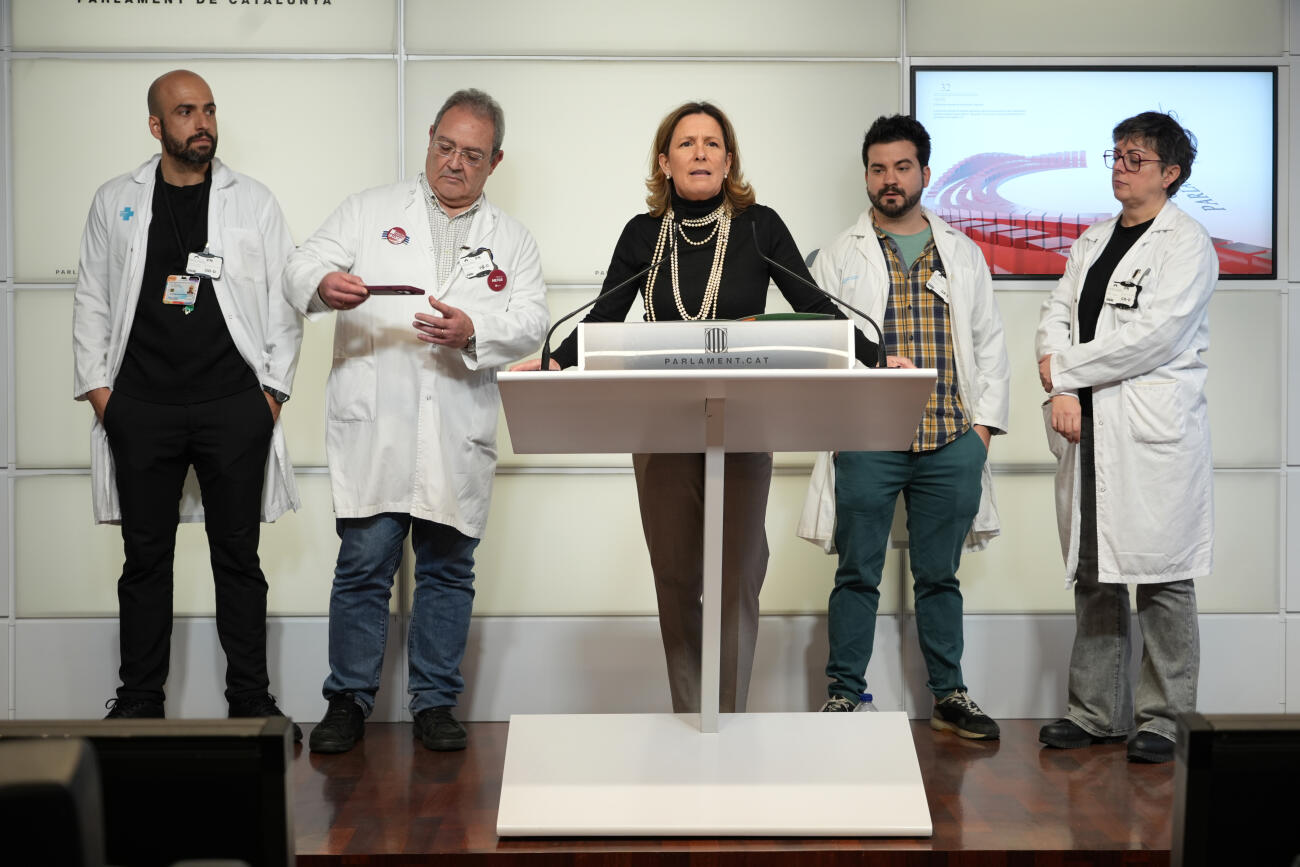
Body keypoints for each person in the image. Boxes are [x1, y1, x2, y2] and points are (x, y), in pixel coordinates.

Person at [515, 101, 877, 714]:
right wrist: (554, 357)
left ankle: (727, 718)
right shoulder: (642, 234)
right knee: (677, 578)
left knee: (737, 576)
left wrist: (873, 353)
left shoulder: (760, 227)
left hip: (742, 421)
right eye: (687, 143)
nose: (701, 152)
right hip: (660, 423)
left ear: (729, 160)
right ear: (665, 161)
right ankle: (690, 715)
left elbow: (813, 302)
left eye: (713, 143)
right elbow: (604, 314)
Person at [286, 89, 548, 754]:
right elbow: (300, 264)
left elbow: (532, 322)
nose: (454, 163)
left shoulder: (511, 239)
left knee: (447, 569)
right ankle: (347, 700)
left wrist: (472, 329)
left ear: (495, 161)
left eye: (472, 154)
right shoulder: (370, 211)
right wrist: (323, 286)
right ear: (430, 137)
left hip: (455, 425)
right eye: (445, 147)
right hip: (378, 423)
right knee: (365, 562)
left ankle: (434, 702)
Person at [72, 70, 304, 737]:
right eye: (183, 112)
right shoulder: (114, 200)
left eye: (206, 110)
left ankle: (251, 699)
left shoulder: (251, 202)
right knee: (145, 558)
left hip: (234, 404)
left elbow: (286, 303)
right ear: (156, 126)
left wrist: (271, 396)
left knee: (239, 557)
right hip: (140, 405)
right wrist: (104, 398)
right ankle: (139, 698)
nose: (200, 122)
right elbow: (90, 298)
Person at [799, 114, 1009, 740]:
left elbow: (988, 343)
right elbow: (825, 347)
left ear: (924, 171)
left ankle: (950, 695)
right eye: (877, 168)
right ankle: (844, 694)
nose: (889, 180)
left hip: (950, 437)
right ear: (866, 174)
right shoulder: (840, 254)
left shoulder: (962, 252)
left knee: (939, 576)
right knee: (856, 571)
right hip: (867, 438)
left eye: (901, 167)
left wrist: (982, 435)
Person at [1035, 112, 1215, 764]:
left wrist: (1068, 373)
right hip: (1089, 430)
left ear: (1170, 173)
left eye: (1134, 158)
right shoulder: (1092, 240)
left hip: (1151, 436)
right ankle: (1094, 711)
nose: (1119, 166)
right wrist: (1059, 388)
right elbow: (1055, 317)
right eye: (1115, 155)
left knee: (1164, 579)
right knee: (1095, 573)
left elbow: (1155, 338)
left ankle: (1166, 718)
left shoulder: (1187, 244)